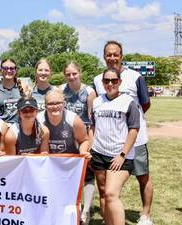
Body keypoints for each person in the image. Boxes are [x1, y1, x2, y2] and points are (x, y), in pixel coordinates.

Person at [93, 40, 153, 225]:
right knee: (106, 188)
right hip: (106, 145)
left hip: (136, 138)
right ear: (104, 57)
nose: (112, 57)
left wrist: (127, 125)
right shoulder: (97, 79)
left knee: (142, 176)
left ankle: (145, 215)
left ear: (121, 56)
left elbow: (145, 103)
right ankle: (109, 218)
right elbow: (99, 108)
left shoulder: (135, 77)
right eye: (108, 54)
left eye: (115, 54)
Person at [91, 68, 140, 225]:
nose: (110, 84)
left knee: (111, 194)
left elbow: (134, 129)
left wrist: (122, 154)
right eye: (106, 81)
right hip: (98, 153)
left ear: (120, 82)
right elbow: (92, 126)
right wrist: (91, 147)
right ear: (102, 82)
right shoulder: (97, 101)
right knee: (104, 194)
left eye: (114, 80)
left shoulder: (128, 102)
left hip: (119, 156)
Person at [59, 61, 96, 224]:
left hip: (84, 137)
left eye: (74, 73)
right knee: (66, 174)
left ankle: (86, 210)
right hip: (66, 137)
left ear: (80, 72)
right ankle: (69, 207)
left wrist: (90, 145)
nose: (71, 77)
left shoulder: (89, 92)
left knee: (87, 175)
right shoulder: (61, 90)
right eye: (68, 74)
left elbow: (92, 120)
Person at [37, 89, 90, 156]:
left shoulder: (73, 119)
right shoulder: (38, 119)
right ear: (45, 106)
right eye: (50, 104)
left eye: (58, 103)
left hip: (68, 160)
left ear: (64, 104)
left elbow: (84, 140)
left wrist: (82, 151)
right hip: (47, 160)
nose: (55, 106)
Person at [0, 58, 26, 124]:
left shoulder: (23, 87)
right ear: (1, 70)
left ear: (16, 70)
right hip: (2, 129)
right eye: (5, 68)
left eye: (12, 68)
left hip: (19, 129)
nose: (9, 71)